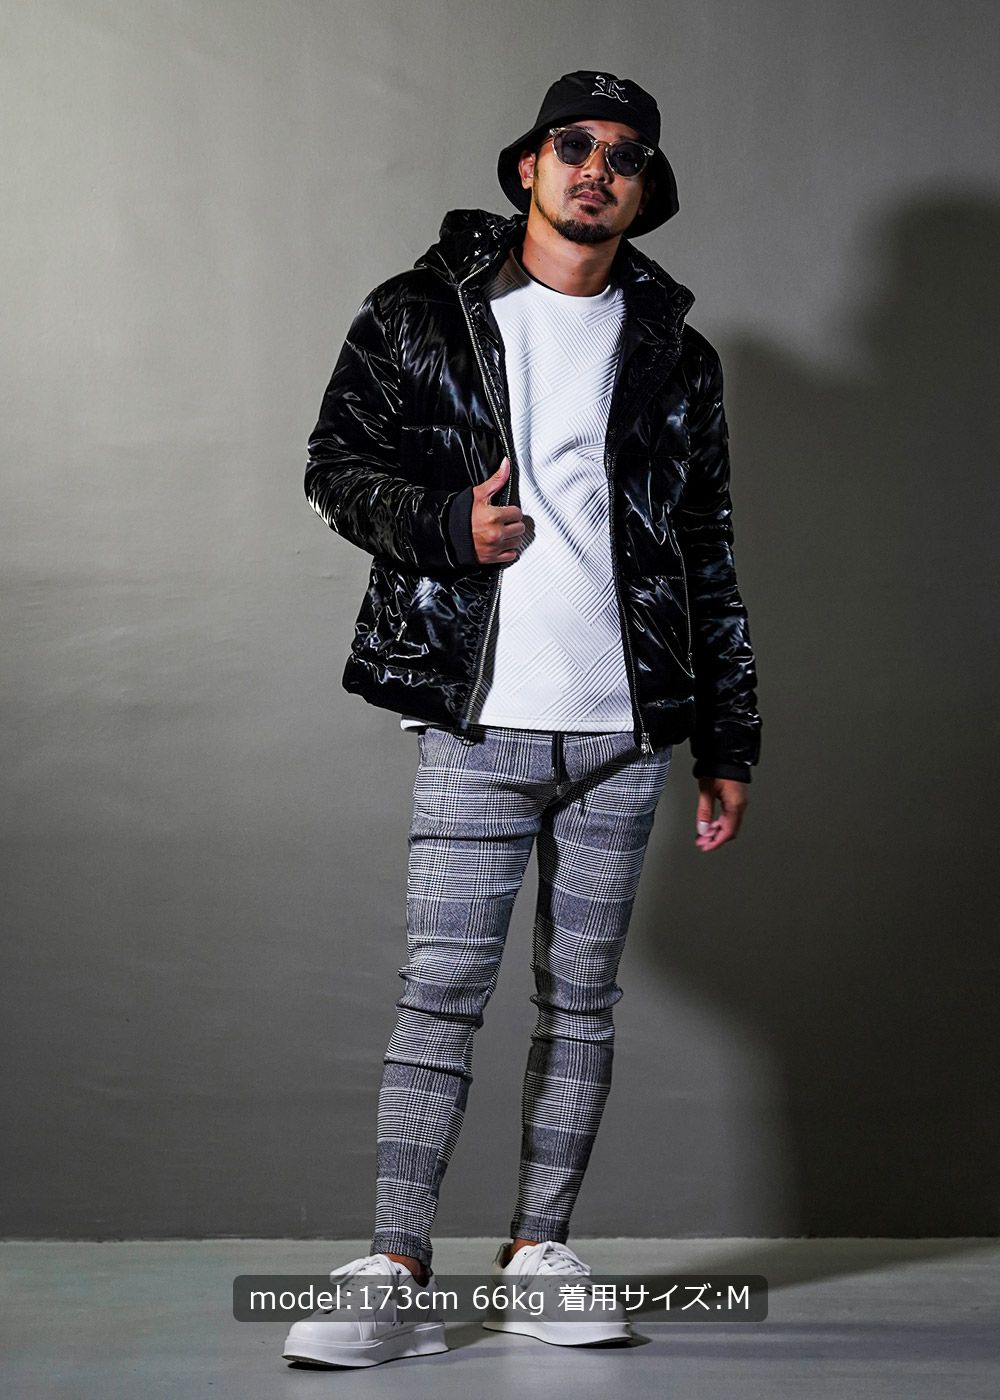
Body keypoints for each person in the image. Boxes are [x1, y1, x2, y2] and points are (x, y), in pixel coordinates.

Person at [284, 69, 762, 1368]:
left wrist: (729, 738)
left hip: (626, 731)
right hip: (476, 719)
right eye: (574, 144)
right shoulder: (421, 312)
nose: (597, 168)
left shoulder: (676, 354)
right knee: (440, 996)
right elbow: (336, 466)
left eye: (624, 155)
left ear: (645, 191)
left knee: (583, 1003)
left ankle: (538, 1255)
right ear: (528, 167)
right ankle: (393, 1271)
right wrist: (447, 525)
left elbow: (707, 552)